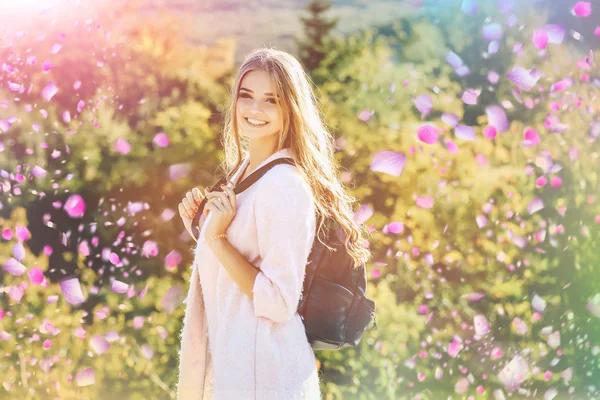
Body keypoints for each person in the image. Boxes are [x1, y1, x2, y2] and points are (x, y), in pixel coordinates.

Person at [176, 47, 371, 400]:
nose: (254, 110)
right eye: (246, 96)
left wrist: (217, 237)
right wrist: (201, 225)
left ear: (290, 110)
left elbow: (278, 301)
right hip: (240, 370)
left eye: (271, 100)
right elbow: (244, 258)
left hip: (264, 377)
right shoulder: (245, 172)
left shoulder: (284, 185)